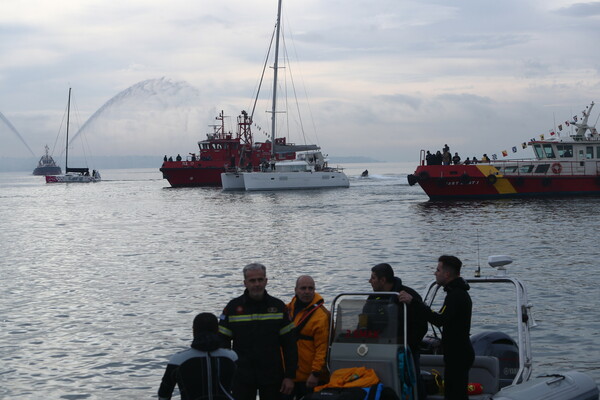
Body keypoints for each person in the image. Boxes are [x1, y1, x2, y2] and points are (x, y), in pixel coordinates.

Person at [398, 256, 474, 400]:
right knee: (452, 392)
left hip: (459, 354)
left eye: (438, 270)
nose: (435, 273)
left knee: (456, 395)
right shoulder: (456, 293)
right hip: (457, 353)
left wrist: (414, 302)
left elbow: (440, 319)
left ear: (447, 274)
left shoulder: (456, 295)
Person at [219, 263, 297, 400]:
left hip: (272, 375)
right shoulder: (232, 308)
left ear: (266, 281)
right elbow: (222, 345)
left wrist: (290, 376)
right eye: (252, 280)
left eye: (260, 280)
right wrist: (226, 375)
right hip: (241, 375)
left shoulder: (279, 307)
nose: (257, 284)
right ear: (245, 283)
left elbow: (290, 345)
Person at [368, 263, 428, 400]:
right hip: (379, 349)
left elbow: (421, 324)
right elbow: (365, 321)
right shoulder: (373, 297)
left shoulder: (408, 296)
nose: (369, 281)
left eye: (373, 278)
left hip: (406, 350)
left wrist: (408, 345)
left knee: (413, 382)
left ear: (383, 280)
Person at [158, 312, 238, 400]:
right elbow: (240, 387)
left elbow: (164, 394)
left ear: (194, 331)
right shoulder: (231, 357)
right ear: (217, 330)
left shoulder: (178, 360)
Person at [286, 276, 330, 400]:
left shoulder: (321, 317)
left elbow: (323, 348)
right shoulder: (287, 309)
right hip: (290, 375)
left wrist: (315, 373)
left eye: (310, 288)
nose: (307, 291)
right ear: (296, 290)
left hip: (309, 377)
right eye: (303, 288)